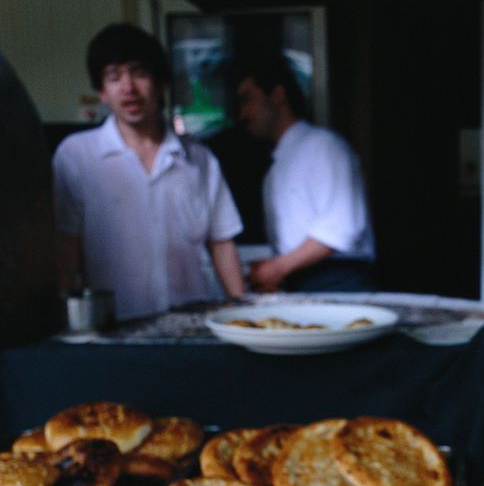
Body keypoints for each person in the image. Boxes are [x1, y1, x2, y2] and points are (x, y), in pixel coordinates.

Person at [53, 23, 245, 320]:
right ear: (102, 92)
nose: (128, 87)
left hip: (191, 325)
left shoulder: (199, 160)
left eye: (139, 73)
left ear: (161, 83)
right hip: (113, 328)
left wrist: (243, 313)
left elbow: (222, 242)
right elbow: (67, 248)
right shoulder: (77, 155)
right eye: (114, 77)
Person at [231, 56, 376, 293]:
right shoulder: (276, 167)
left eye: (248, 100)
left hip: (339, 283)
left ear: (278, 95)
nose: (242, 114)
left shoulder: (324, 146)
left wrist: (276, 268)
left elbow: (342, 229)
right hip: (301, 283)